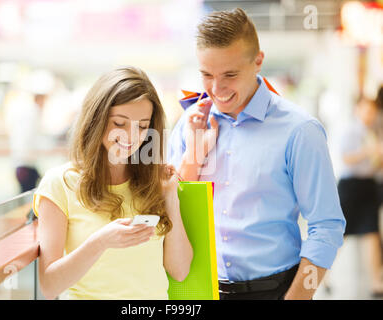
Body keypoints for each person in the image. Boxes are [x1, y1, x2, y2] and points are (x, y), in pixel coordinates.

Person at [168, 8, 346, 300]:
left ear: (258, 61)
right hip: (200, 288)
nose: (216, 88)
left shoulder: (300, 131)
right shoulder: (190, 125)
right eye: (206, 75)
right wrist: (194, 156)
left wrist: (298, 297)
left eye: (230, 74)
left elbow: (326, 227)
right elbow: (171, 209)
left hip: (276, 290)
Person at [33, 66, 193, 300]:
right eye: (120, 123)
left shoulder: (152, 182)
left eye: (142, 126)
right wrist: (101, 242)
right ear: (96, 120)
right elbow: (49, 287)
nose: (131, 136)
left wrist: (170, 196)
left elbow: (179, 271)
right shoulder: (60, 184)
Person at [337, 97, 383, 297]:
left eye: (372, 111)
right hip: (351, 187)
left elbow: (375, 164)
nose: (369, 114)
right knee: (339, 234)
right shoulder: (351, 130)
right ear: (357, 110)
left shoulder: (373, 132)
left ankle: (376, 280)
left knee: (372, 233)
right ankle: (323, 276)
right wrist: (369, 151)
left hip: (368, 185)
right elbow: (346, 158)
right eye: (365, 110)